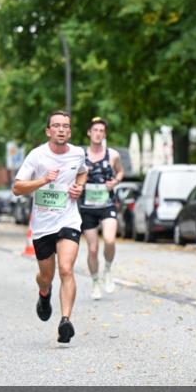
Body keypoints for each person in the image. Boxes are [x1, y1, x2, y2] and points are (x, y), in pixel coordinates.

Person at [12, 110, 87, 344]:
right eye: (56, 126)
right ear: (48, 131)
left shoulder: (77, 153)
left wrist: (78, 187)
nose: (61, 129)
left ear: (70, 131)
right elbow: (17, 188)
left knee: (66, 268)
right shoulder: (36, 156)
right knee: (47, 276)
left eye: (65, 126)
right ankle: (44, 294)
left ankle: (65, 321)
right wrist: (43, 180)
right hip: (43, 225)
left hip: (69, 220)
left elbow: (83, 172)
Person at [78, 116, 125, 299]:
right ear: (89, 133)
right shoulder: (81, 156)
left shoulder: (112, 154)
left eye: (101, 131)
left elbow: (120, 172)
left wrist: (116, 181)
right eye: (95, 130)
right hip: (88, 206)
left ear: (104, 134)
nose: (98, 134)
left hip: (107, 203)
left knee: (110, 240)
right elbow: (74, 176)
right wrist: (80, 183)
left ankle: (107, 269)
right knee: (92, 249)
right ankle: (95, 282)